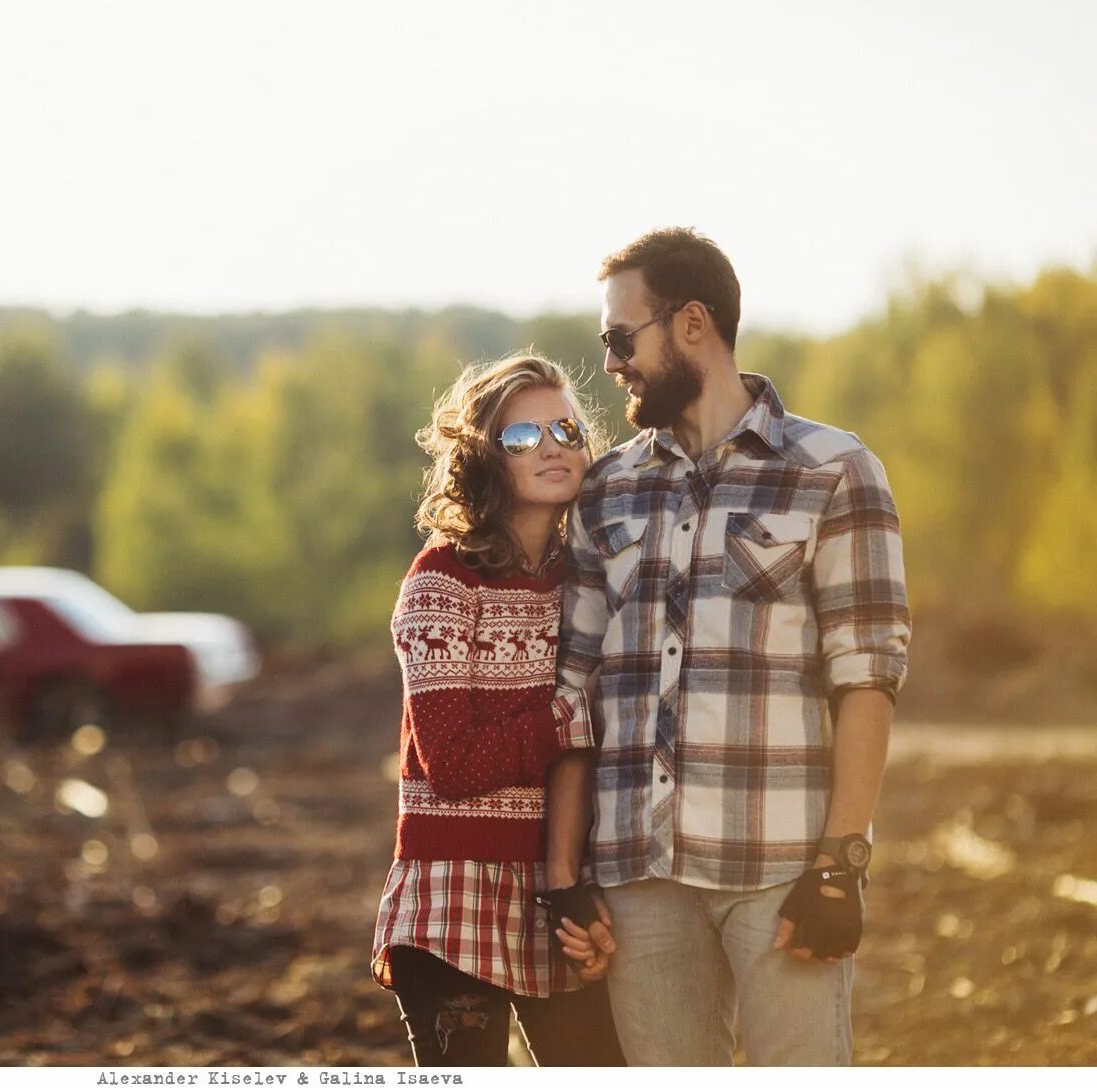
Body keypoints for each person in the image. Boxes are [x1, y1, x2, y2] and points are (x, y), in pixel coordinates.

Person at [545, 228, 912, 1065]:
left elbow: (868, 677)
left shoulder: (835, 470)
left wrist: (841, 865)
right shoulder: (606, 489)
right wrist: (564, 877)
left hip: (780, 871)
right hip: (640, 881)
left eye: (619, 337)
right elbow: (576, 692)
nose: (610, 362)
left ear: (692, 323)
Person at [371, 353, 625, 1067]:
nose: (551, 446)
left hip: (561, 889)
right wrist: (571, 719)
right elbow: (450, 764)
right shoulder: (443, 582)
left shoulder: (587, 582)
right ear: (485, 459)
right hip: (456, 897)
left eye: (566, 429)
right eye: (522, 438)